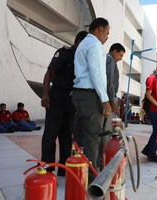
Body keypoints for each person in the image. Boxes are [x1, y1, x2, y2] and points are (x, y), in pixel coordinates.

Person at [41, 31, 88, 176]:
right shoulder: (64, 52)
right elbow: (49, 72)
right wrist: (45, 93)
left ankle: (63, 167)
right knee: (51, 132)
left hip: (71, 99)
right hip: (57, 96)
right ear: (79, 41)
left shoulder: (82, 58)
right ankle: (48, 167)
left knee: (67, 134)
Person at [72, 17, 112, 182]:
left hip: (79, 95)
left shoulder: (83, 43)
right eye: (107, 33)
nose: (107, 37)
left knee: (80, 135)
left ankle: (77, 171)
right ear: (100, 29)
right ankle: (90, 178)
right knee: (92, 137)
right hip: (89, 95)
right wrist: (105, 100)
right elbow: (97, 74)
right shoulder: (94, 44)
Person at [97, 43, 125, 170]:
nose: (121, 58)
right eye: (120, 54)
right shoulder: (110, 60)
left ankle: (100, 159)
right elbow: (109, 83)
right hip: (107, 101)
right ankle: (103, 160)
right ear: (114, 51)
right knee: (106, 132)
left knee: (104, 132)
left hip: (106, 100)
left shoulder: (107, 60)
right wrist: (113, 103)